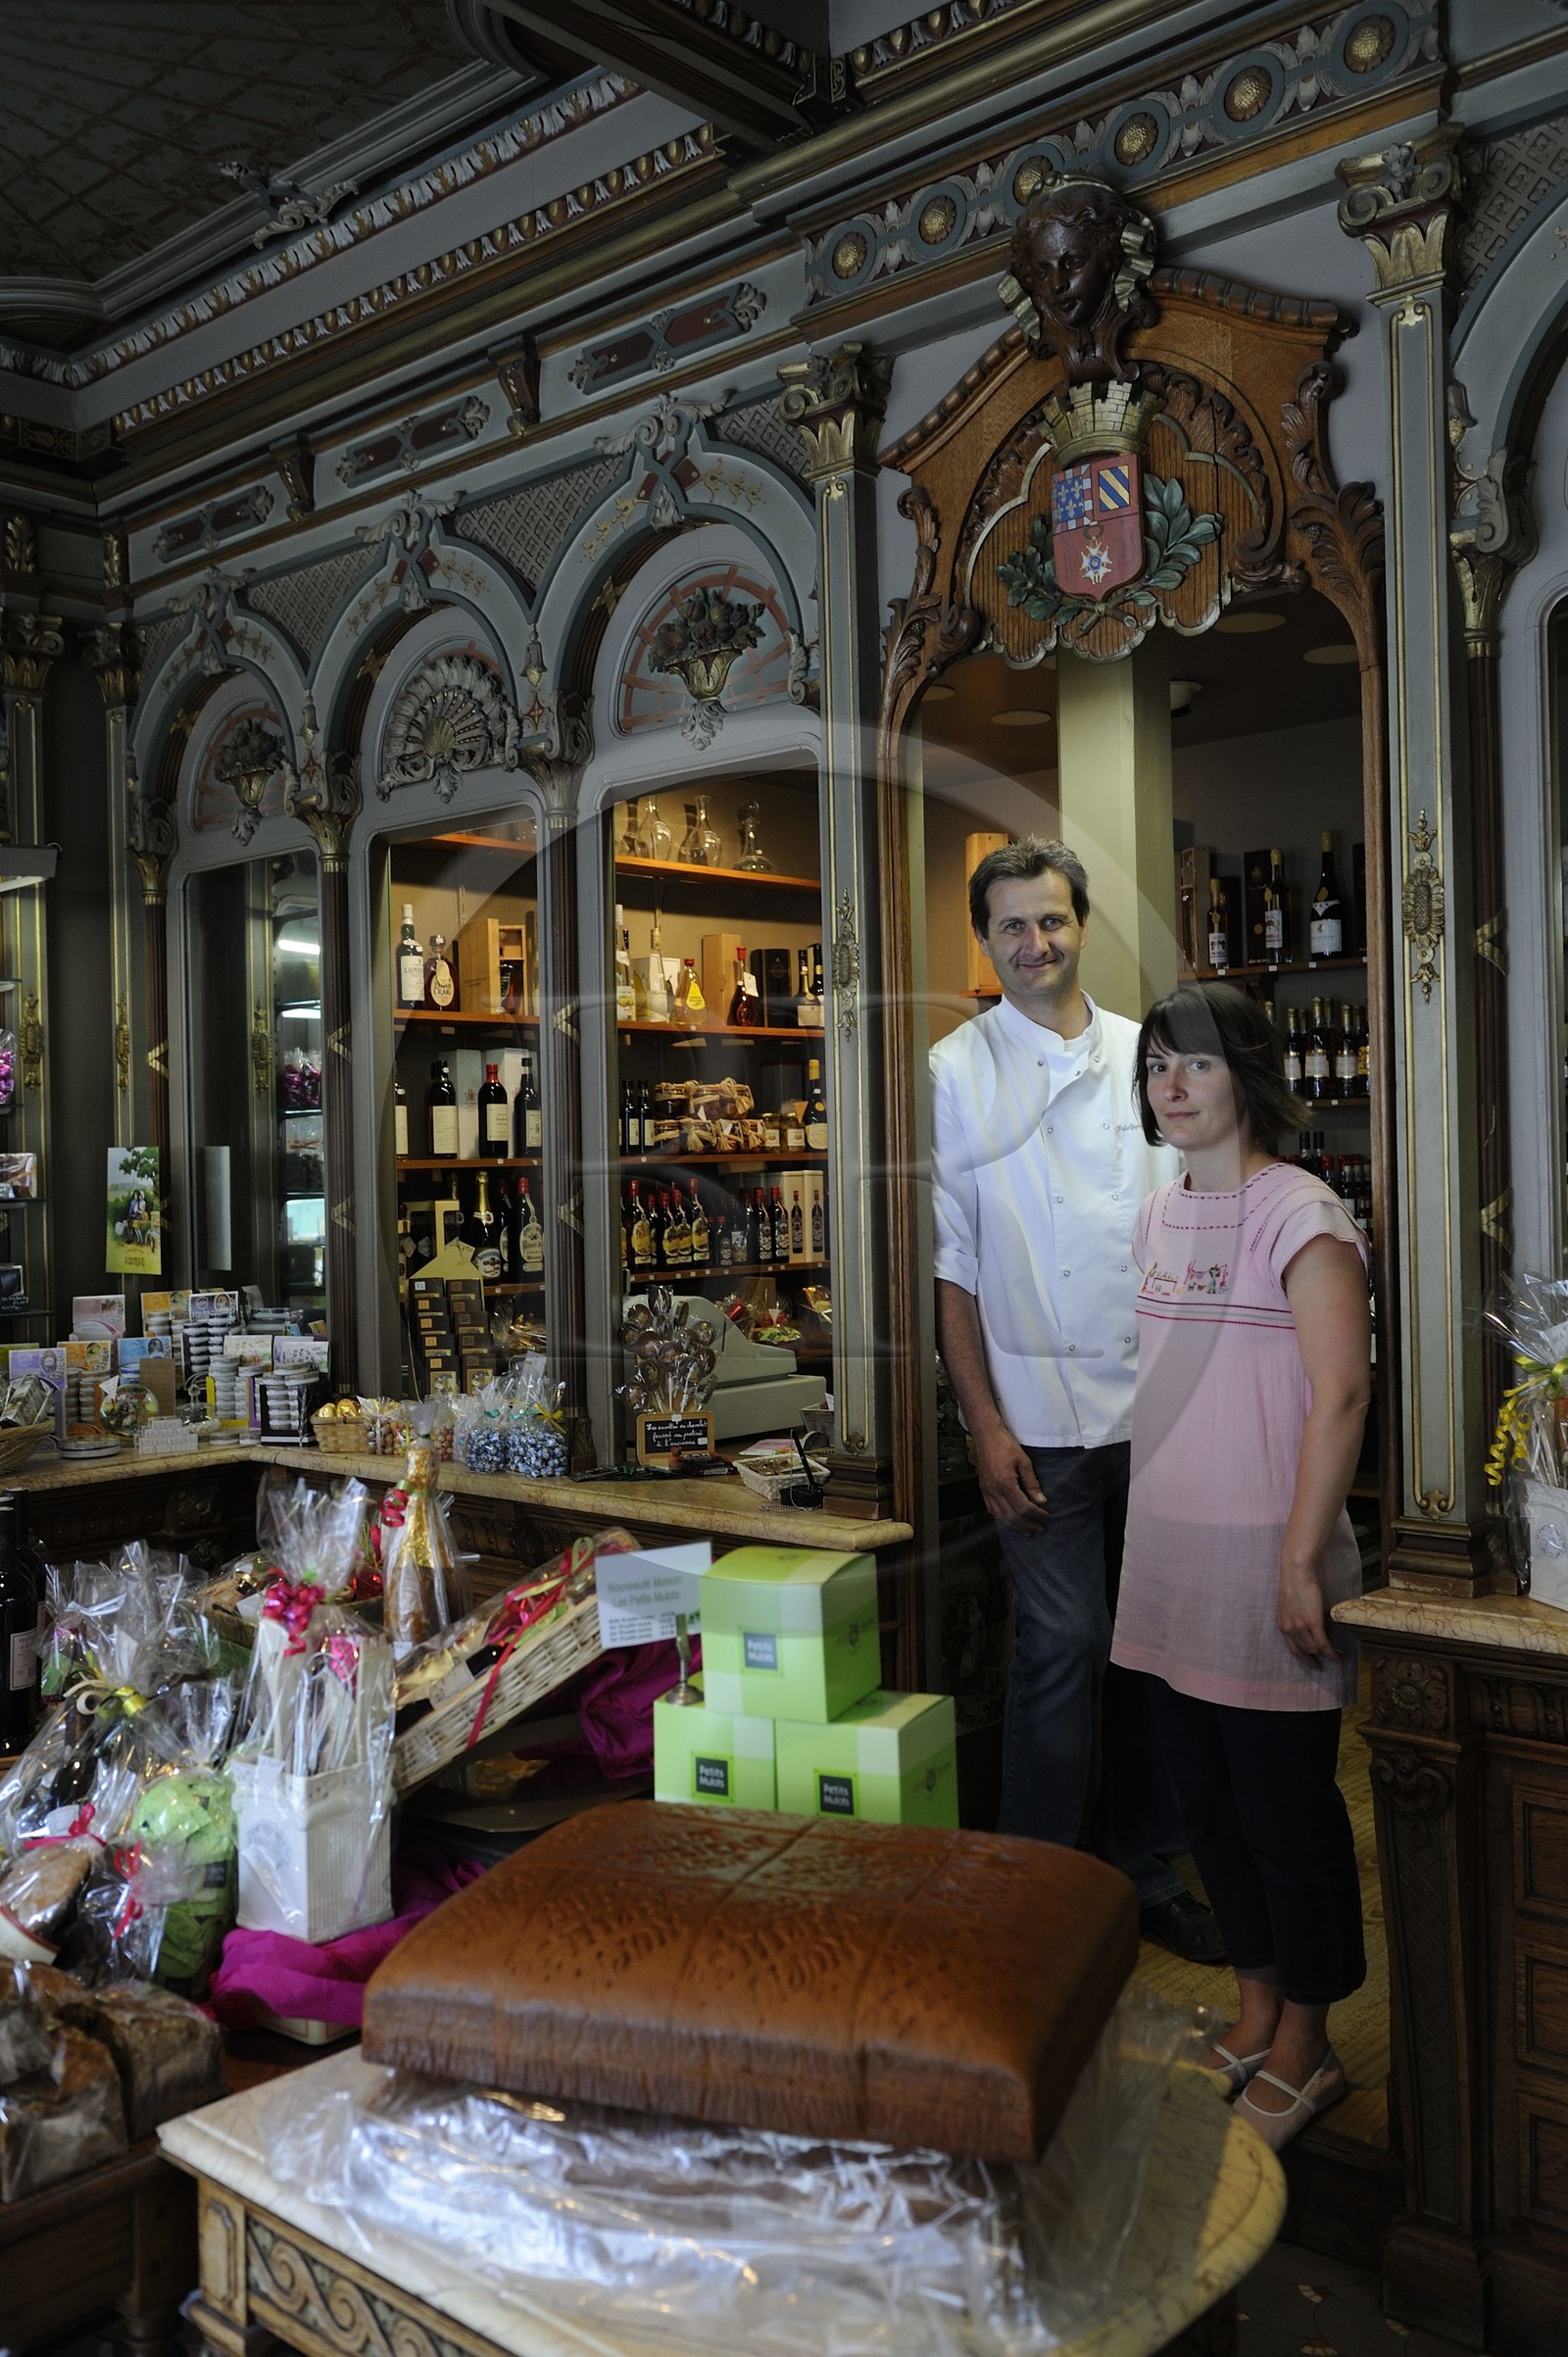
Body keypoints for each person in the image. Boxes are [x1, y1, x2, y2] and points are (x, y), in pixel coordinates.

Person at [930, 836, 1223, 1962]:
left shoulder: (1147, 1051)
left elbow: (1190, 1212)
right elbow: (954, 1266)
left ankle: (1144, 1869)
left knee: (1148, 1650)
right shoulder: (958, 1069)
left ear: (1079, 923)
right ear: (987, 938)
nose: (1033, 942)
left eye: (1050, 920)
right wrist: (984, 1422)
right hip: (1038, 1427)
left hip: (1155, 1413)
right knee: (1063, 1642)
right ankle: (1033, 1884)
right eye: (1011, 924)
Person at [1111, 981, 1370, 2151]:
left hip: (1272, 1561)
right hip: (1168, 1560)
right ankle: (1257, 2010)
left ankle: (1311, 2045)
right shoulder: (1160, 1215)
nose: (1170, 1083)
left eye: (1197, 1064)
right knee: (1206, 1807)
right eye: (1158, 1064)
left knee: (1285, 1815)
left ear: (1248, 1076)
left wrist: (1302, 1557)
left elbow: (1342, 1394)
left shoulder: (1299, 1210)